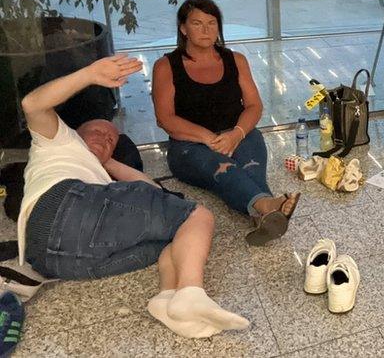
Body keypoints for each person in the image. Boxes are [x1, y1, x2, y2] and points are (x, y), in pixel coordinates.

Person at [18, 54, 248, 338]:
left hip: (54, 260)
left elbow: (154, 192)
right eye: (99, 132)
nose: (106, 139)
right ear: (78, 131)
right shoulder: (58, 141)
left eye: (112, 141)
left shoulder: (99, 175)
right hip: (63, 204)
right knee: (196, 214)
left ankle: (166, 299)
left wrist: (108, 162)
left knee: (177, 236)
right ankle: (192, 291)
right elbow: (32, 104)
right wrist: (89, 73)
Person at [152, 0, 299, 246]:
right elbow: (165, 118)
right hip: (189, 146)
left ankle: (263, 211)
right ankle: (267, 204)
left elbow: (254, 106)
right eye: (197, 23)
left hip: (238, 135)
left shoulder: (236, 60)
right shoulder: (165, 66)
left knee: (250, 167)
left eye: (212, 23)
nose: (206, 30)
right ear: (183, 28)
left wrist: (237, 133)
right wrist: (208, 139)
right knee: (227, 171)